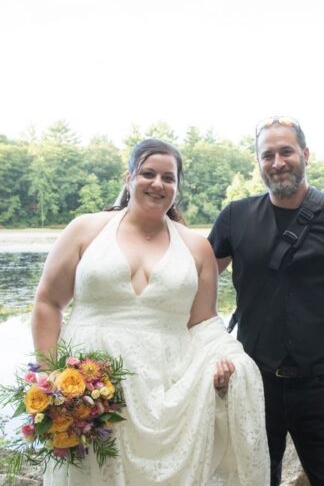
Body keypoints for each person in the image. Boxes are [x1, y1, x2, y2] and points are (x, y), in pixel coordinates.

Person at [31, 139, 269, 485]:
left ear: (177, 187)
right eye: (148, 173)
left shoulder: (196, 247)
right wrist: (52, 381)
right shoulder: (85, 230)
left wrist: (229, 361)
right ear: (128, 177)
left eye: (168, 178)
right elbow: (47, 304)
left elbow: (203, 324)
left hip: (165, 388)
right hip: (91, 390)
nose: (158, 184)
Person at [208, 116, 324, 486]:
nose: (277, 162)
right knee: (255, 480)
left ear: (305, 153)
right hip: (254, 383)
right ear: (258, 162)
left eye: (286, 151)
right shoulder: (235, 217)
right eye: (267, 154)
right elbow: (195, 286)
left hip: (321, 383)